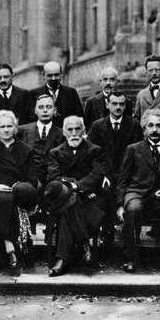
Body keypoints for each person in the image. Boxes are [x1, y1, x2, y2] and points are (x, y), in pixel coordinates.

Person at [116, 109, 160, 273]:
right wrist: (120, 204)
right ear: (144, 129)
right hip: (136, 193)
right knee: (132, 210)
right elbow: (123, 180)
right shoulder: (133, 149)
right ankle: (129, 257)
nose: (155, 130)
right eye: (151, 126)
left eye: (159, 126)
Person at [0, 110, 41, 272]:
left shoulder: (26, 150)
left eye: (9, 126)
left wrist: (18, 186)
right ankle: (9, 248)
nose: (6, 130)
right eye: (2, 126)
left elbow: (32, 179)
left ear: (16, 128)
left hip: (17, 193)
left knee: (8, 200)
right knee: (4, 200)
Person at [45, 116, 106, 276]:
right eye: (70, 129)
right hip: (79, 197)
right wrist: (80, 188)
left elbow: (97, 175)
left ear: (84, 131)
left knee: (70, 206)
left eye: (77, 129)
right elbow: (53, 178)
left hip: (90, 203)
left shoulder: (95, 150)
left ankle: (62, 260)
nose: (74, 133)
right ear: (64, 132)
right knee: (72, 201)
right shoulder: (55, 152)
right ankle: (85, 245)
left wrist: (73, 186)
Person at [88, 90, 143, 244]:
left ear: (126, 106)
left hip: (129, 173)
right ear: (107, 104)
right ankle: (107, 232)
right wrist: (102, 175)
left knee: (131, 195)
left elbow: (139, 154)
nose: (118, 107)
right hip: (105, 173)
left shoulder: (134, 125)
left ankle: (133, 234)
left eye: (121, 104)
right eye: (114, 103)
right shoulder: (97, 126)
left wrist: (129, 175)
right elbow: (93, 154)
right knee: (105, 191)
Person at [18, 94, 64, 184]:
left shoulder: (62, 133)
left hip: (53, 181)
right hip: (29, 180)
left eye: (49, 107)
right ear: (35, 110)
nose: (45, 110)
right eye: (41, 107)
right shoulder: (21, 131)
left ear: (55, 110)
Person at [30, 61, 84, 128]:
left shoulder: (71, 93)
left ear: (61, 74)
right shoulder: (34, 94)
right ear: (43, 75)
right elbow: (31, 119)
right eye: (49, 75)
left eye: (56, 75)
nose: (53, 78)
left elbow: (79, 117)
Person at [83, 67, 133, 132]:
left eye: (112, 80)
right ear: (101, 82)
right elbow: (87, 127)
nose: (108, 83)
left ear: (117, 82)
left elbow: (128, 126)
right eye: (105, 79)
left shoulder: (126, 102)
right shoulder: (91, 102)